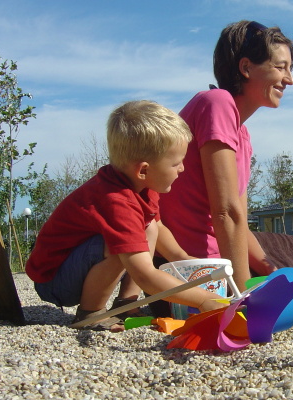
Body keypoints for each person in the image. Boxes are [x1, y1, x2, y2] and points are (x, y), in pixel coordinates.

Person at [159, 20, 293, 302]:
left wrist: (267, 265)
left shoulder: (242, 132)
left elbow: (238, 217)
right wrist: (243, 294)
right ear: (247, 67)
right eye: (280, 67)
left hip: (220, 245)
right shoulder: (217, 103)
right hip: (195, 264)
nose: (289, 80)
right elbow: (226, 212)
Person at [26, 100, 225, 331]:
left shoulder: (142, 187)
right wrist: (201, 299)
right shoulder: (116, 201)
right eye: (176, 163)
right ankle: (90, 314)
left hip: (77, 267)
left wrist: (184, 259)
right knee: (119, 245)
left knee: (148, 226)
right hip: (54, 281)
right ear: (143, 170)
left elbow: (158, 229)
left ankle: (127, 303)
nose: (182, 169)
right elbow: (145, 276)